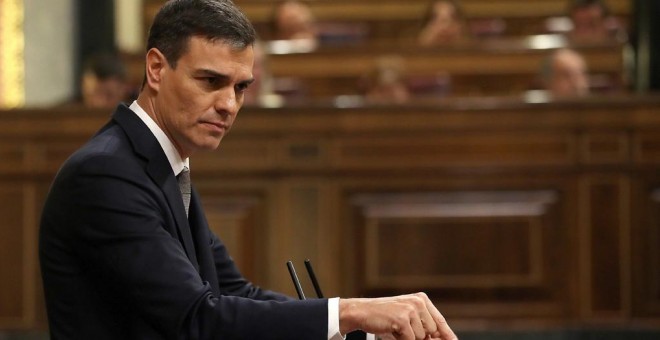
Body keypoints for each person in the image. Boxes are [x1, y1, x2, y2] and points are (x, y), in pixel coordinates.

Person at [39, 1, 458, 339]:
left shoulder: (160, 163)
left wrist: (359, 327)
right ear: (156, 69)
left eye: (240, 87)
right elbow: (197, 319)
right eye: (210, 81)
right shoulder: (107, 174)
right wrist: (350, 312)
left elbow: (235, 293)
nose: (229, 104)